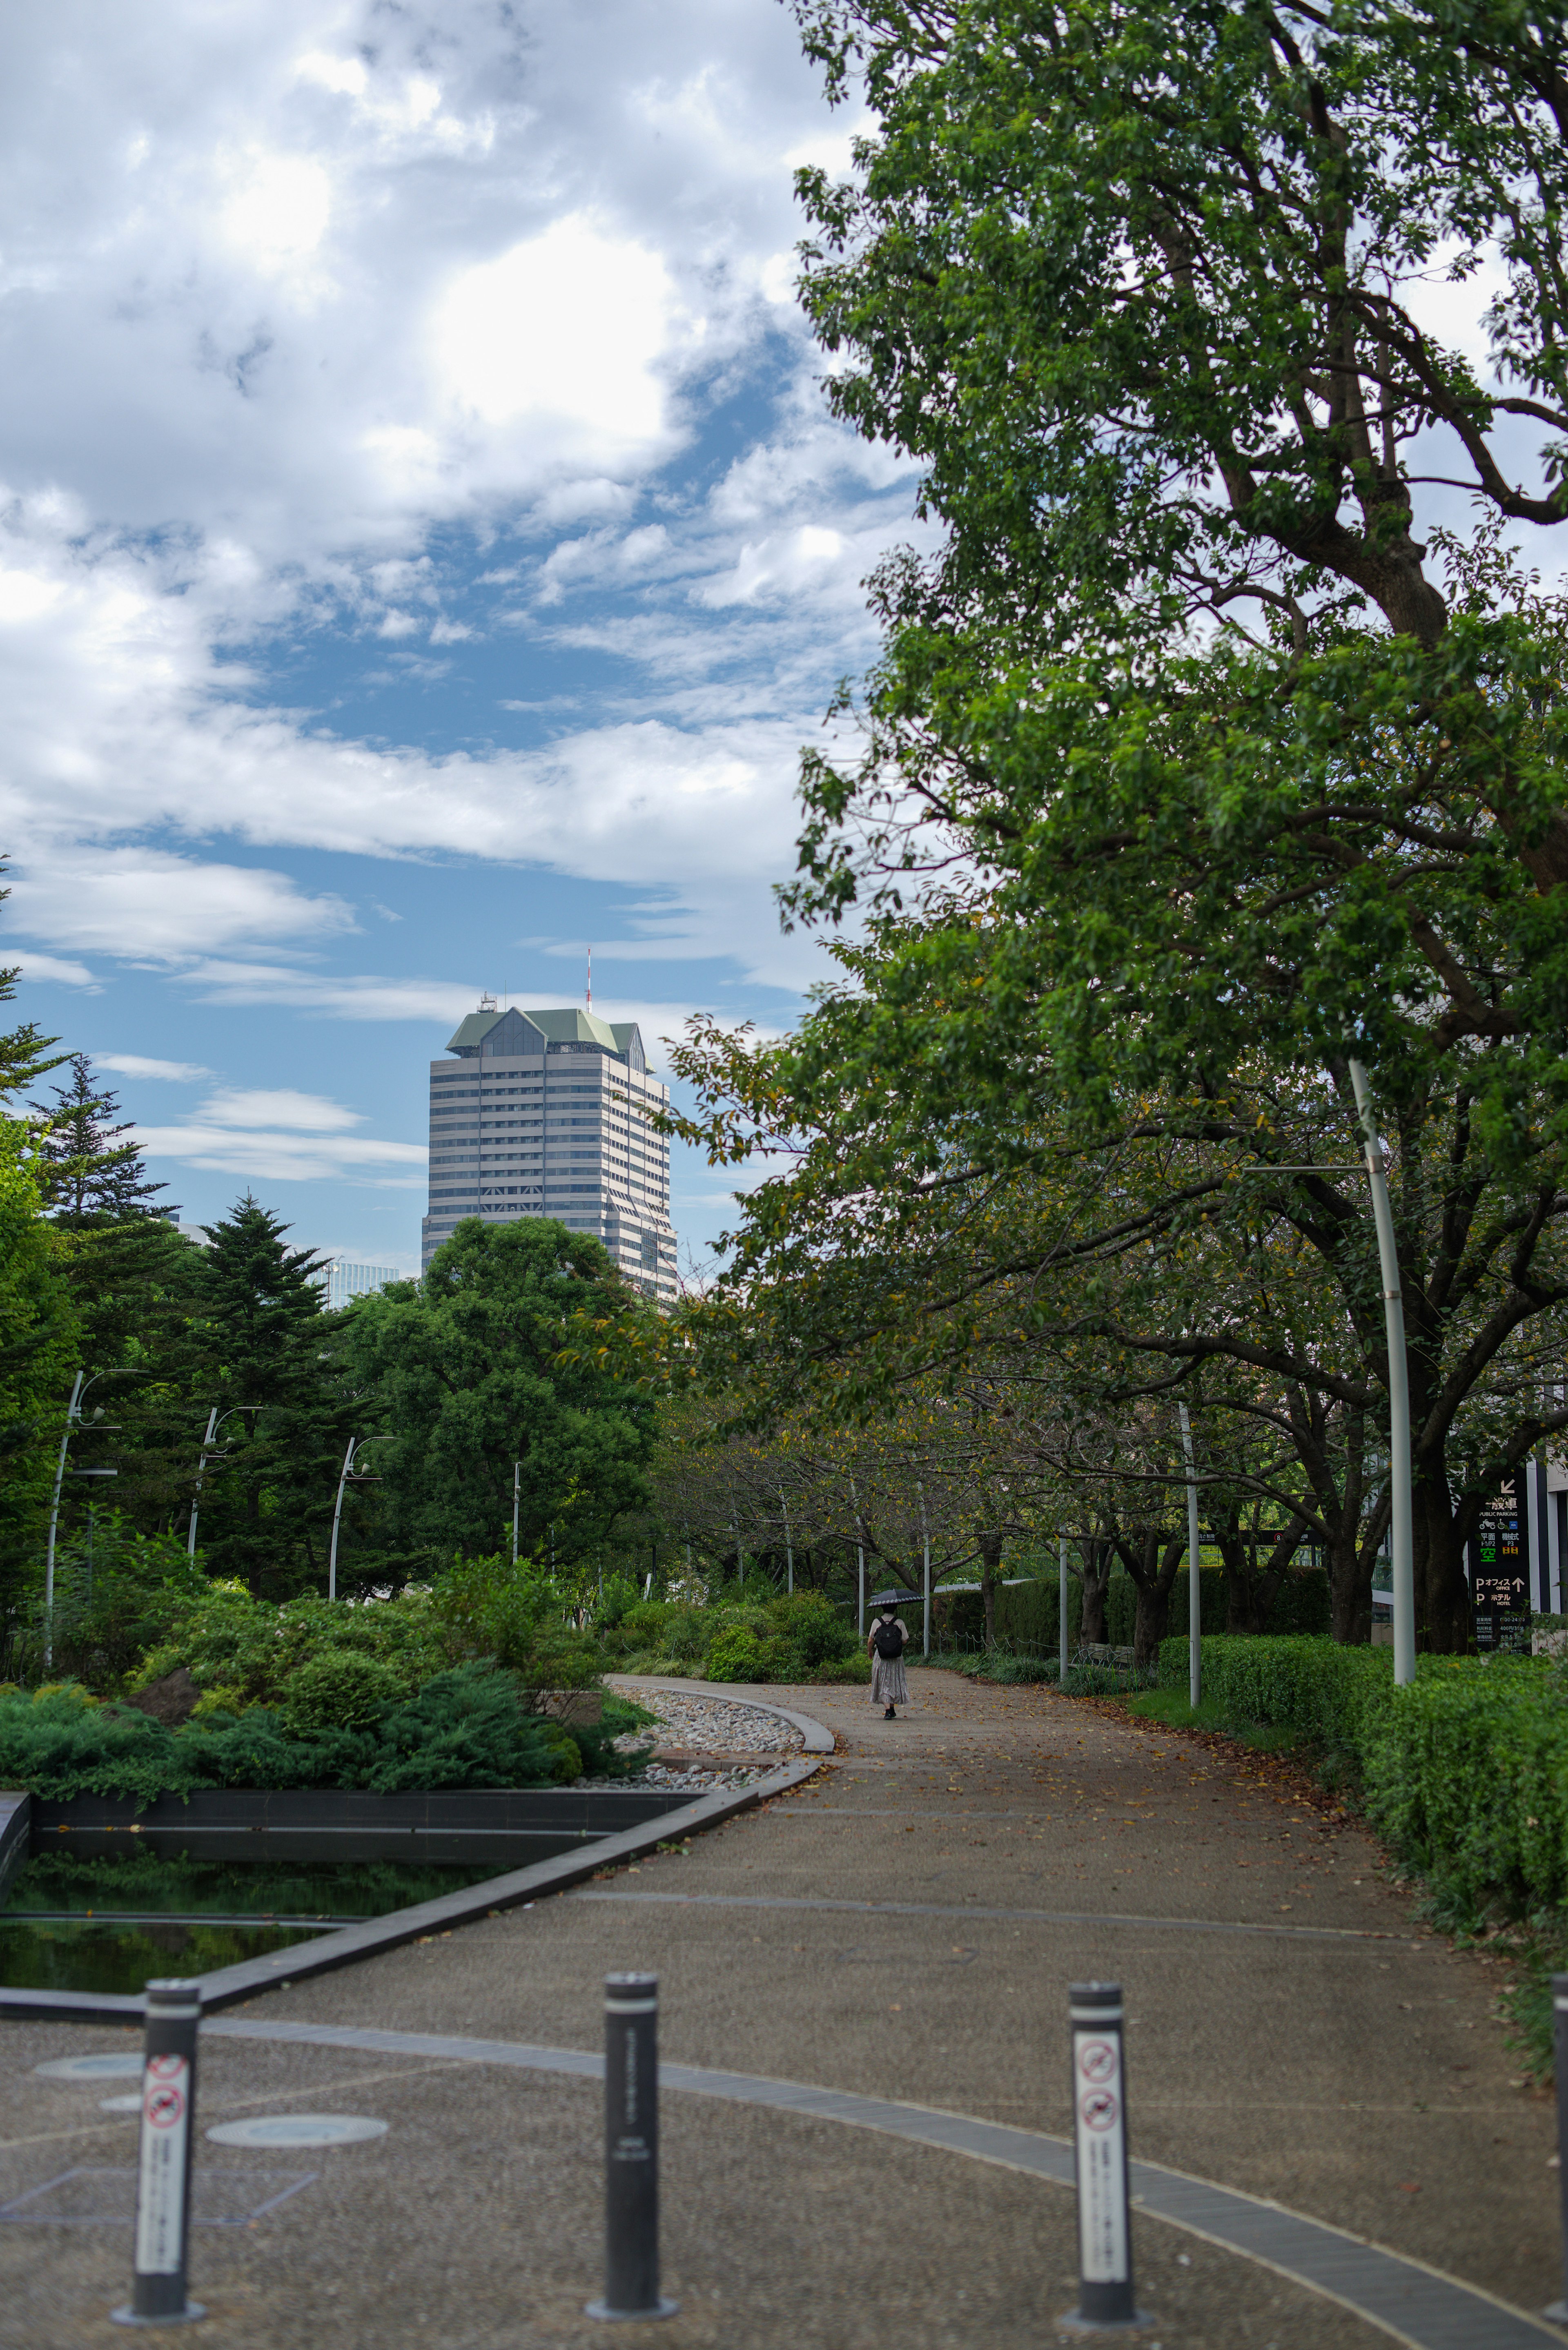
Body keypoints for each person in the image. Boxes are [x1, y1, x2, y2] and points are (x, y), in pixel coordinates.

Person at [867, 1603, 909, 1719]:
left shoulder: (877, 1622)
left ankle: (888, 1711)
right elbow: (905, 1640)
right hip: (896, 1657)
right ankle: (891, 1709)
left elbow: (871, 1640)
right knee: (893, 1681)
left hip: (881, 1656)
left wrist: (870, 1651)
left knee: (883, 1682)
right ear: (894, 1609)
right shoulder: (899, 1622)